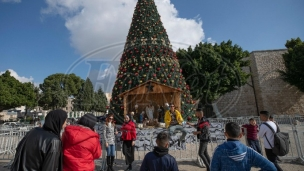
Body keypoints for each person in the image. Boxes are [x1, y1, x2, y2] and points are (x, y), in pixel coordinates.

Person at [210, 122, 276, 171]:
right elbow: (271, 167)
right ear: (241, 135)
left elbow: (213, 169)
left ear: (225, 134)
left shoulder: (219, 150)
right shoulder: (248, 151)